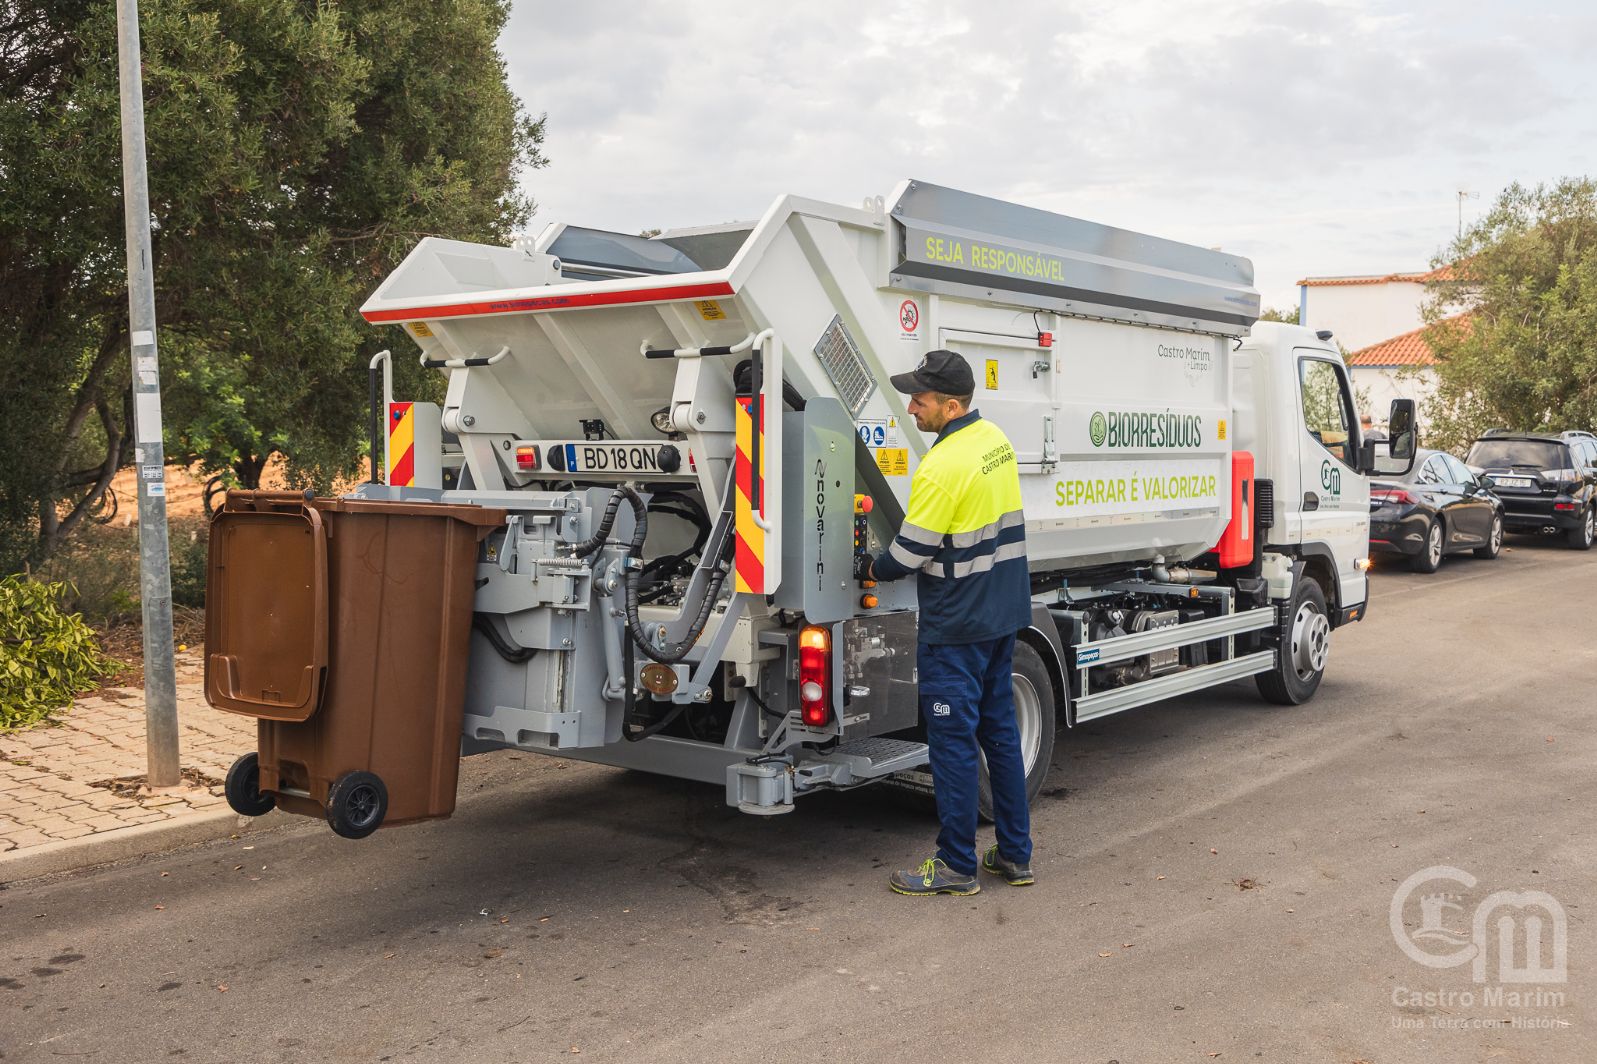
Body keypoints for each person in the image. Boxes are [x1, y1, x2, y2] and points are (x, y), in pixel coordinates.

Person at [858, 349, 1036, 896]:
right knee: (999, 734)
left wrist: (867, 564)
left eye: (920, 398)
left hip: (957, 624)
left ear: (950, 404)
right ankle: (1013, 854)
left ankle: (956, 865)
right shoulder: (995, 443)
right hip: (1002, 612)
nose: (911, 407)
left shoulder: (943, 464)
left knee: (953, 744)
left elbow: (909, 554)